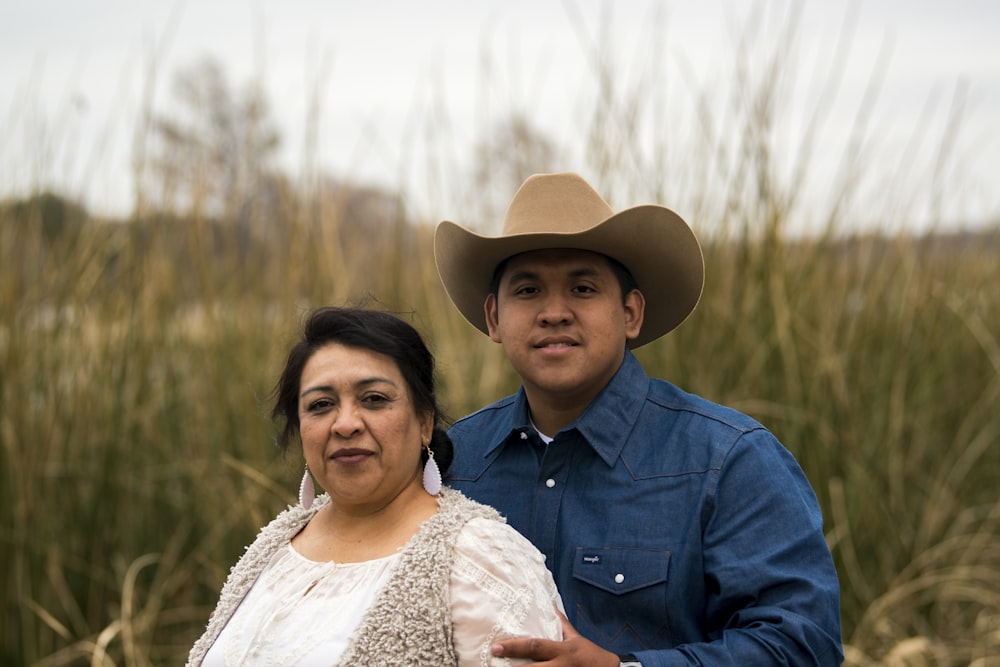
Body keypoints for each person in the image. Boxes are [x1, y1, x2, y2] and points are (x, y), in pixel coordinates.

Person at [433, 172, 843, 666]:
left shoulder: (729, 460)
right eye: (527, 290)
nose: (554, 312)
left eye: (583, 288)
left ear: (630, 312)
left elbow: (803, 644)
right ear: (494, 318)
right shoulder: (454, 460)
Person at [187, 306, 565, 666]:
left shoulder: (479, 558)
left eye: (374, 399)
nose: (345, 424)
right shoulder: (274, 548)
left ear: (423, 421)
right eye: (320, 405)